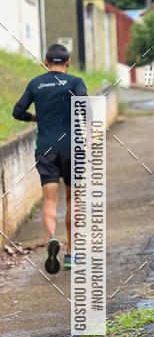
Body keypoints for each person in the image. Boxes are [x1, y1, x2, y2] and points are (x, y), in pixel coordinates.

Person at [12, 43, 87, 274]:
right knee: (73, 200)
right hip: (72, 147)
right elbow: (86, 111)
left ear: (46, 63)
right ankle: (71, 254)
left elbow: (17, 112)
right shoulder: (75, 82)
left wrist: (35, 118)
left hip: (45, 149)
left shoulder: (36, 84)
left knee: (50, 201)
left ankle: (52, 238)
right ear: (68, 62)